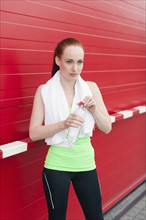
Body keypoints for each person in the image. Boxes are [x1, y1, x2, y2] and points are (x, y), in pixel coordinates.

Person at [29, 38, 112, 220]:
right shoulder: (44, 90)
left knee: (95, 217)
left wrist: (94, 110)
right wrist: (63, 124)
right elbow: (34, 133)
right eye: (69, 61)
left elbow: (107, 127)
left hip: (86, 164)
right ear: (58, 60)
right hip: (56, 165)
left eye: (80, 62)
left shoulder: (91, 88)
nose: (76, 68)